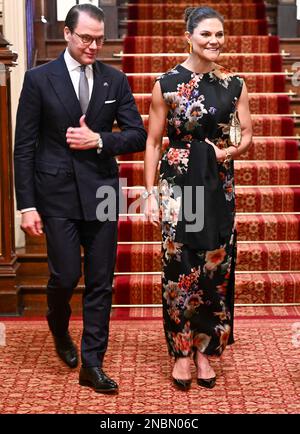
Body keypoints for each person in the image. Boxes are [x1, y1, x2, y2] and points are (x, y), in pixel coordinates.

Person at [14, 3, 146, 394]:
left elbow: (136, 134)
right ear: (68, 33)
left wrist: (101, 140)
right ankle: (58, 328)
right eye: (86, 38)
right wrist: (27, 204)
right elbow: (24, 146)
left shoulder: (114, 79)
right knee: (66, 276)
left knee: (102, 281)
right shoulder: (39, 79)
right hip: (54, 194)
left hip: (103, 190)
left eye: (99, 39)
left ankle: (93, 363)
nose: (93, 46)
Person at [143, 6, 252, 390]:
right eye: (206, 34)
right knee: (179, 270)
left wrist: (229, 152)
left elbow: (246, 135)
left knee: (214, 271)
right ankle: (181, 353)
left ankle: (206, 352)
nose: (214, 41)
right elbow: (153, 142)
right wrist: (149, 194)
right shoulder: (167, 83)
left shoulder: (235, 84)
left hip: (218, 185)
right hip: (177, 185)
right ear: (189, 36)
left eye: (219, 34)